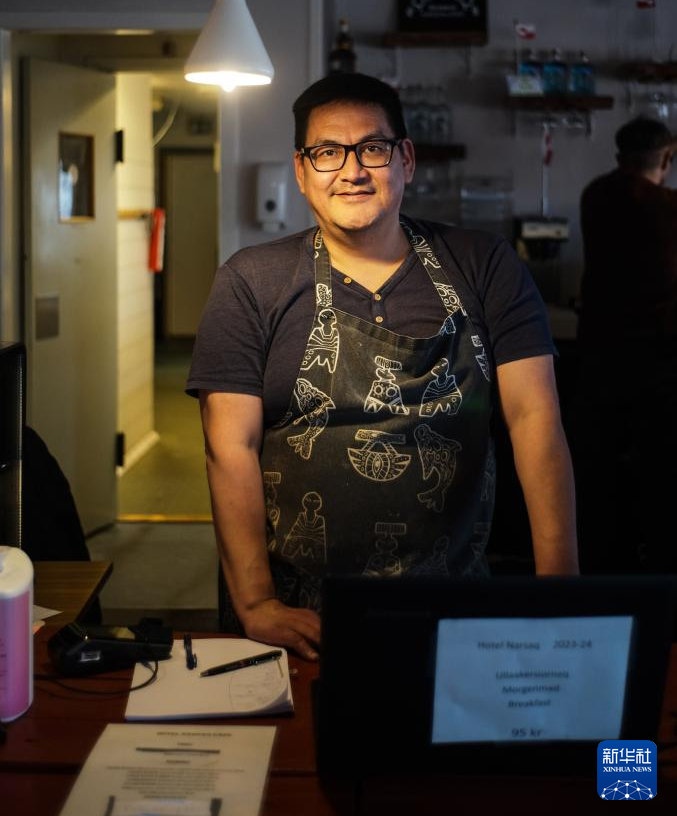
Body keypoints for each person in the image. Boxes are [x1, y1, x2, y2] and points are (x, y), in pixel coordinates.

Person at [187, 73, 578, 659]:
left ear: (406, 160)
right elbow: (229, 446)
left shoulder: (484, 265)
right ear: (301, 171)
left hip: (455, 607)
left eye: (372, 148)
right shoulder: (251, 281)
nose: (352, 170)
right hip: (296, 618)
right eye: (327, 152)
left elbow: (535, 422)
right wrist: (257, 602)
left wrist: (561, 593)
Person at [573, 116, 677, 573]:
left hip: (599, 354)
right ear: (667, 159)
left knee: (600, 476)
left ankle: (602, 573)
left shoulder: (596, 194)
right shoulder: (668, 206)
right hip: (657, 361)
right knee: (657, 478)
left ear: (620, 156)